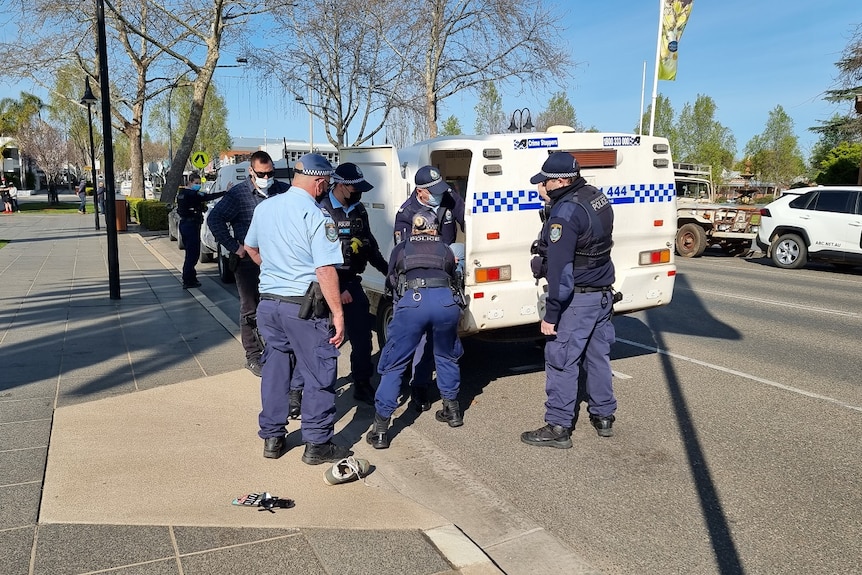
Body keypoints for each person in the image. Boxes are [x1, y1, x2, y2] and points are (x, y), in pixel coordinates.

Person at [244, 153, 353, 465]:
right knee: (319, 369)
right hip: (303, 308)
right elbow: (325, 270)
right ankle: (318, 443)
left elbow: (251, 247)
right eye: (327, 183)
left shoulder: (265, 207)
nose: (327, 188)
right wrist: (338, 313)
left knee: (276, 368)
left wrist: (275, 270)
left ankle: (273, 438)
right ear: (319, 182)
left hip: (269, 304)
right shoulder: (318, 216)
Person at [520, 152, 618, 449]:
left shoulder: (564, 214)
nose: (542, 188)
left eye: (545, 182)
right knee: (597, 357)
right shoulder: (595, 197)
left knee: (561, 360)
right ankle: (603, 416)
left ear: (561, 180)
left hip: (578, 300)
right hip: (602, 295)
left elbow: (562, 273)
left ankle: (558, 426)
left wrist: (551, 315)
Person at [366, 208, 464, 449]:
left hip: (413, 303)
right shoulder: (446, 249)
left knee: (395, 363)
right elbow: (454, 275)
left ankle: (380, 429)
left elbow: (391, 280)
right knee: (446, 356)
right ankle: (452, 412)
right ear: (434, 228)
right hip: (444, 303)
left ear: (414, 228)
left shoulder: (401, 248)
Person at [314, 162, 388, 409]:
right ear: (342, 185)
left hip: (352, 283)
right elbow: (312, 257)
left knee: (363, 337)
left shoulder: (358, 210)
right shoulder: (320, 209)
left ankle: (362, 383)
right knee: (321, 342)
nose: (360, 193)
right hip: (324, 286)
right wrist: (337, 288)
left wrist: (389, 272)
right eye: (355, 188)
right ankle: (305, 391)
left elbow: (370, 246)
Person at [208, 151, 289, 376]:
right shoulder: (238, 194)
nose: (267, 177)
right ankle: (253, 355)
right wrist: (236, 247)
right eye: (262, 173)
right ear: (252, 171)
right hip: (248, 263)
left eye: (270, 173)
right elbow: (214, 218)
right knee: (250, 308)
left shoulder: (283, 191)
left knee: (278, 307)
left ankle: (278, 350)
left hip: (278, 261)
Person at [392, 166, 465, 410]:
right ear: (420, 192)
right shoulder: (406, 213)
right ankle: (419, 388)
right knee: (422, 340)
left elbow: (468, 220)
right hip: (419, 284)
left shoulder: (447, 195)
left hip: (445, 277)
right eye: (432, 191)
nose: (439, 194)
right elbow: (403, 255)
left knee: (445, 343)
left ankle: (447, 397)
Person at [176, 172, 226, 289]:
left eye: (199, 183)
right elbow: (208, 197)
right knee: (192, 254)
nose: (198, 185)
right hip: (190, 225)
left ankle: (191, 278)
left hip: (186, 224)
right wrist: (225, 192)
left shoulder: (182, 194)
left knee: (191, 253)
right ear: (190, 182)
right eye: (196, 183)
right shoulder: (191, 194)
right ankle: (188, 280)